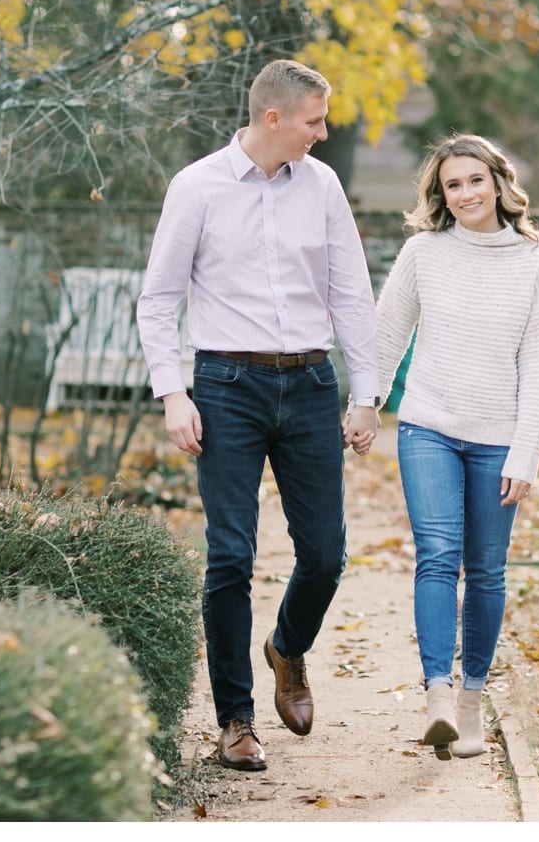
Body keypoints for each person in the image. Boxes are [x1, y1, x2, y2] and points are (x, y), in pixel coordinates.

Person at [136, 59, 381, 772]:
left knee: (326, 555)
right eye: (313, 121)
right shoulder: (198, 186)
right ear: (272, 118)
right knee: (231, 555)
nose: (323, 134)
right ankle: (236, 719)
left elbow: (352, 293)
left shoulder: (323, 185)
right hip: (225, 385)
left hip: (309, 383)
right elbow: (159, 299)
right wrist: (172, 392)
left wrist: (364, 395)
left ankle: (288, 647)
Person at [373, 134, 539, 760]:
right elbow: (386, 333)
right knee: (437, 554)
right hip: (427, 426)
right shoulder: (424, 252)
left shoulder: (536, 264)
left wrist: (525, 453)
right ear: (440, 194)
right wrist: (365, 403)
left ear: (499, 183)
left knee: (484, 570)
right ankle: (437, 694)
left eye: (475, 181)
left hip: (498, 439)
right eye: (452, 185)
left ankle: (472, 701)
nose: (465, 194)